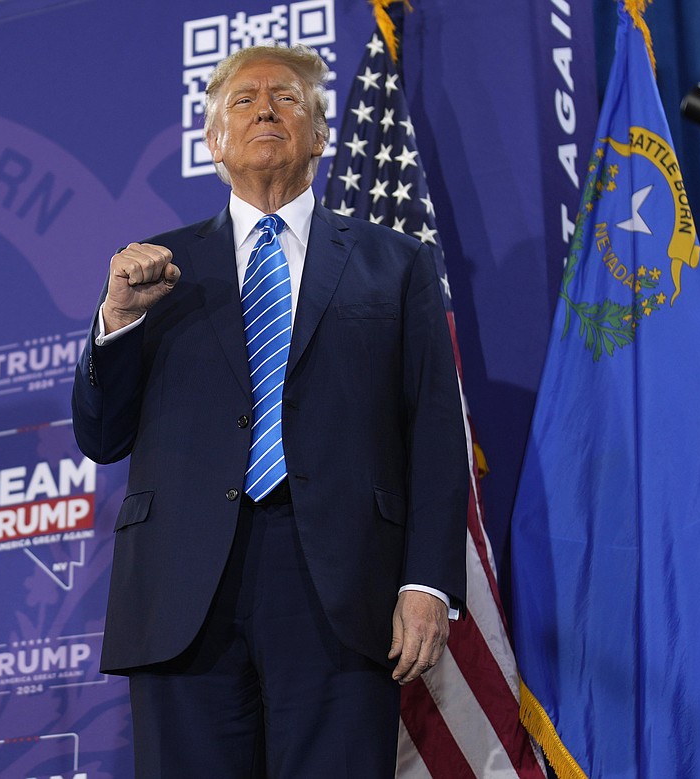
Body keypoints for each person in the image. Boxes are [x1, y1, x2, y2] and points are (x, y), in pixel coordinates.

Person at [72, 43, 468, 778]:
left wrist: (426, 583)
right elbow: (101, 435)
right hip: (182, 590)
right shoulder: (156, 269)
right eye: (243, 101)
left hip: (343, 584)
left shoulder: (395, 263)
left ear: (320, 134)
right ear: (214, 141)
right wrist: (117, 318)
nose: (264, 109)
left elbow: (437, 439)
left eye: (286, 98)